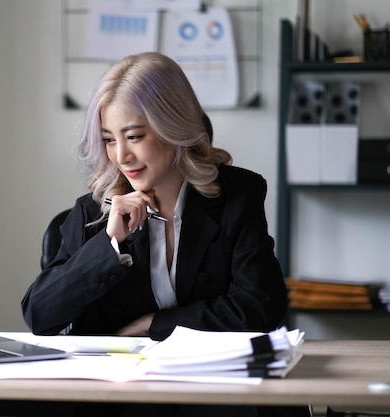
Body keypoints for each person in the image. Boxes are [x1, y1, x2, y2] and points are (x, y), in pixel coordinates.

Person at [21, 52, 309, 417]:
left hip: (214, 393)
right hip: (121, 401)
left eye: (134, 136)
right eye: (109, 140)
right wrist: (110, 245)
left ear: (173, 124)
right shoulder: (93, 211)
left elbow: (258, 309)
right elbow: (39, 315)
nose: (121, 156)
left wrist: (153, 326)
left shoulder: (238, 195)